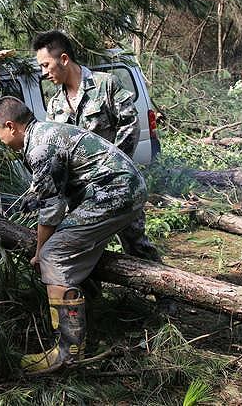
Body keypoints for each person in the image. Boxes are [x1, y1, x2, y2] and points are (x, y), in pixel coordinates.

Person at [0, 96, 147, 372]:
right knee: (68, 248)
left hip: (116, 193)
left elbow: (51, 208)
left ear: (11, 126)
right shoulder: (43, 134)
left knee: (54, 255)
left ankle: (68, 352)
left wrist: (40, 253)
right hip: (120, 190)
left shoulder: (40, 147)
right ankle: (94, 318)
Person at [33, 30, 158, 260]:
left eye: (45, 65)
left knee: (137, 245)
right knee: (85, 252)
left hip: (118, 185)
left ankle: (166, 294)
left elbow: (129, 124)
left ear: (63, 59)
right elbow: (57, 154)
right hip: (81, 196)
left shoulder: (105, 85)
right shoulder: (55, 105)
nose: (43, 73)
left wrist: (109, 169)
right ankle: (93, 297)